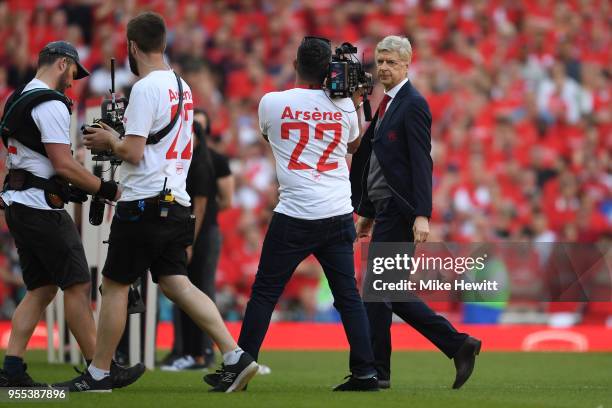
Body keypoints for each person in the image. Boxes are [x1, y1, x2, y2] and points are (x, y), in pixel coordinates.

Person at [54, 12, 257, 392]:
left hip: (144, 201)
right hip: (175, 201)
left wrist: (106, 141)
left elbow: (131, 152)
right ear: (163, 43)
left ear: (131, 46)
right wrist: (121, 139)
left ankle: (98, 373)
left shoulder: (145, 88)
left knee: (114, 285)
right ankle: (235, 355)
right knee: (178, 284)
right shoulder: (182, 86)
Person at [207, 36, 379, 391]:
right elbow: (352, 145)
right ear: (330, 69)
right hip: (335, 211)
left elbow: (271, 137)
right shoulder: (344, 106)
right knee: (348, 295)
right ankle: (366, 372)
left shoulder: (272, 102)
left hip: (295, 212)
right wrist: (354, 103)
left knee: (265, 293)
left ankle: (243, 363)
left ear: (296, 64)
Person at [0, 41, 143, 388]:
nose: (73, 82)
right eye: (73, 74)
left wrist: (67, 183)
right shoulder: (50, 103)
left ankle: (13, 369)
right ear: (63, 64)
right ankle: (100, 368)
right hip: (40, 208)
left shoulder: (17, 97)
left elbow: (36, 159)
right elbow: (63, 164)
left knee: (41, 288)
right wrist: (105, 189)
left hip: (18, 201)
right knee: (77, 285)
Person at [349, 35, 481, 390]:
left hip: (402, 211)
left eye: (391, 61)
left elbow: (422, 162)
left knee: (377, 291)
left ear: (407, 64)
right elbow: (380, 165)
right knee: (386, 291)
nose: (383, 68)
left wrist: (422, 213)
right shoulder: (387, 104)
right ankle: (457, 344)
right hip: (385, 210)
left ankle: (378, 371)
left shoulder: (413, 104)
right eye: (380, 61)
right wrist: (368, 212)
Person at [163, 109, 234, 371]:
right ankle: (185, 351)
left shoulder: (207, 162)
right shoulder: (184, 159)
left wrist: (189, 241)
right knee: (183, 290)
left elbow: (210, 205)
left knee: (198, 289)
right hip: (186, 232)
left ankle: (203, 352)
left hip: (200, 234)